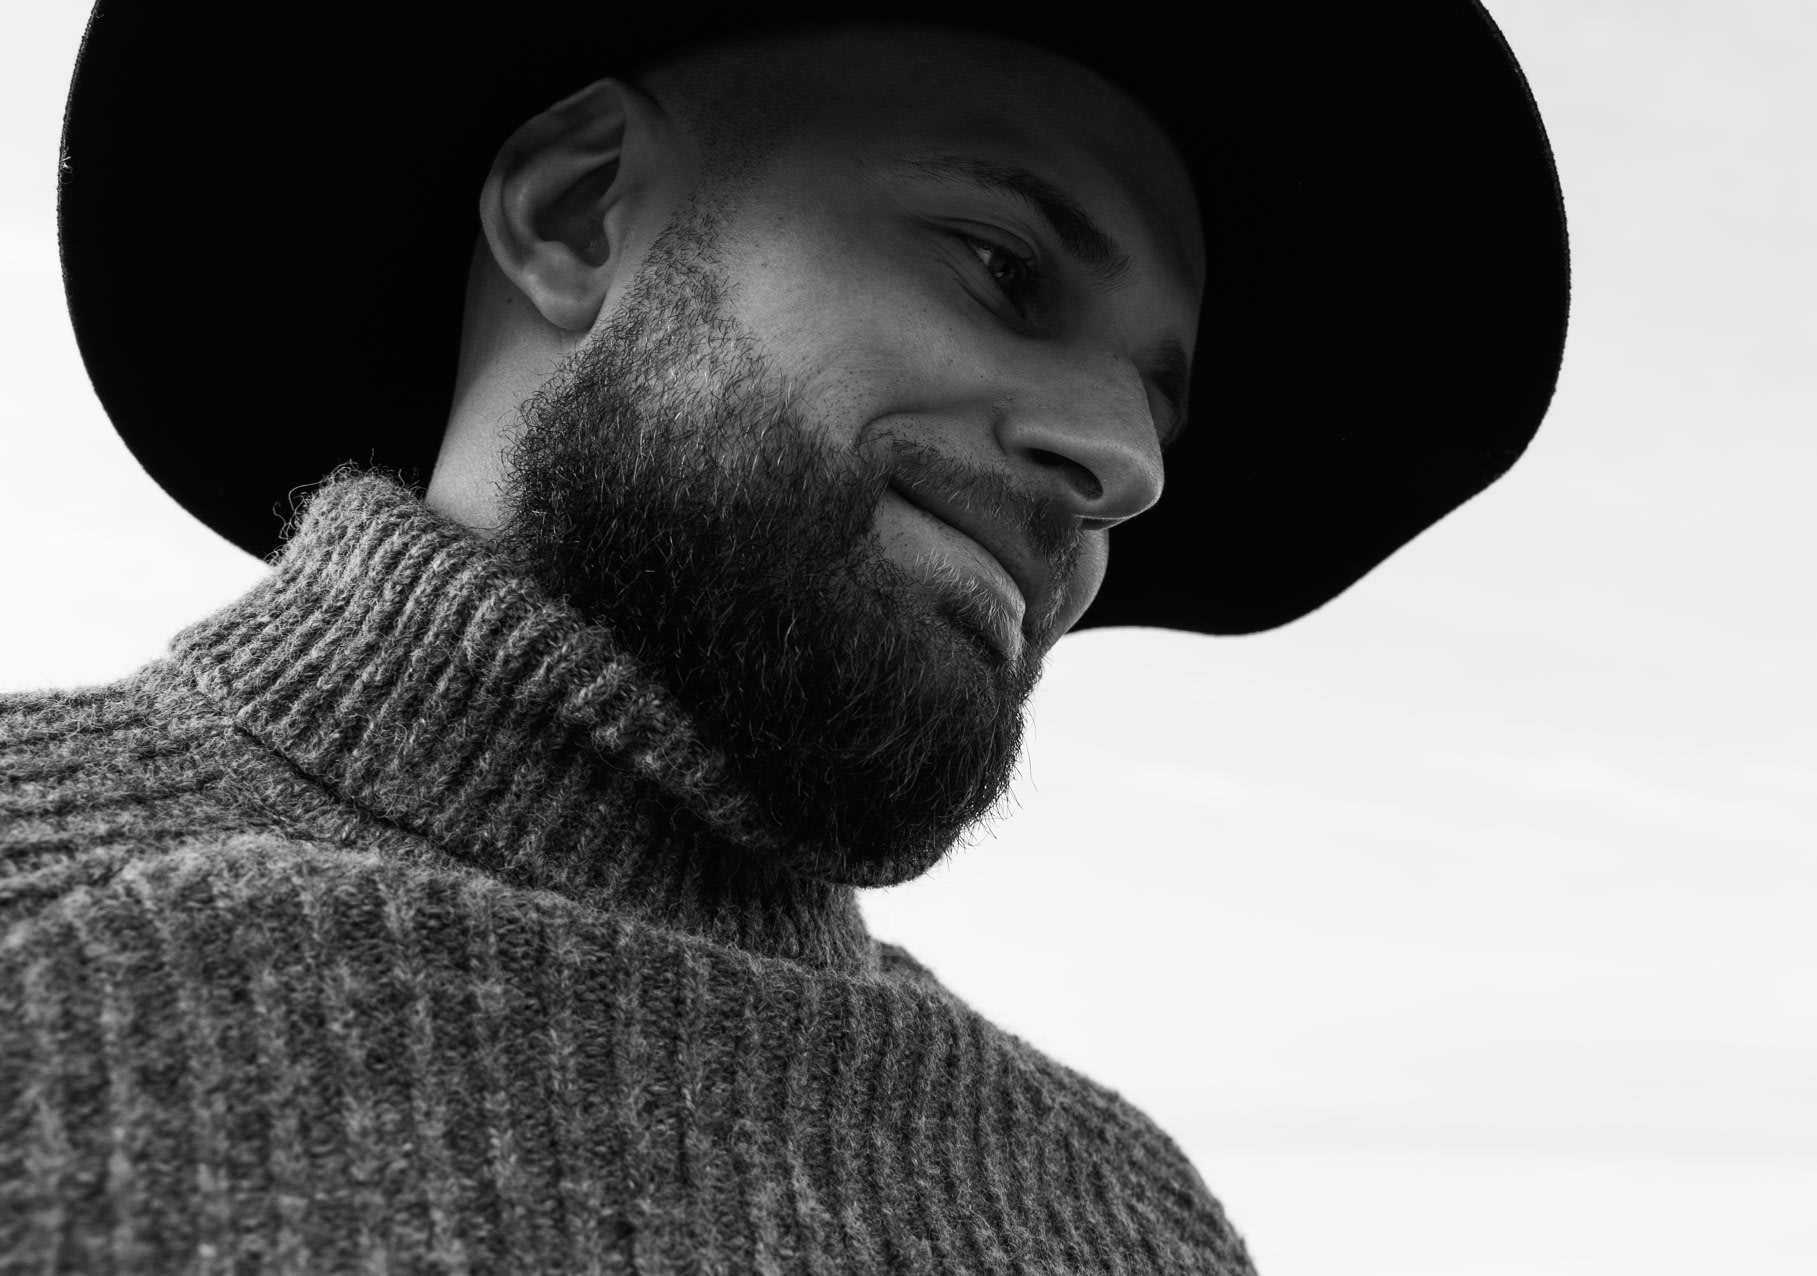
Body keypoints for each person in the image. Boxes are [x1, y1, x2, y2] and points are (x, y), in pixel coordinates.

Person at [1, 3, 1568, 1271]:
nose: (1126, 467)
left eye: (1160, 411)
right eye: (1003, 266)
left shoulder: (1125, 1219)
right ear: (575, 213)